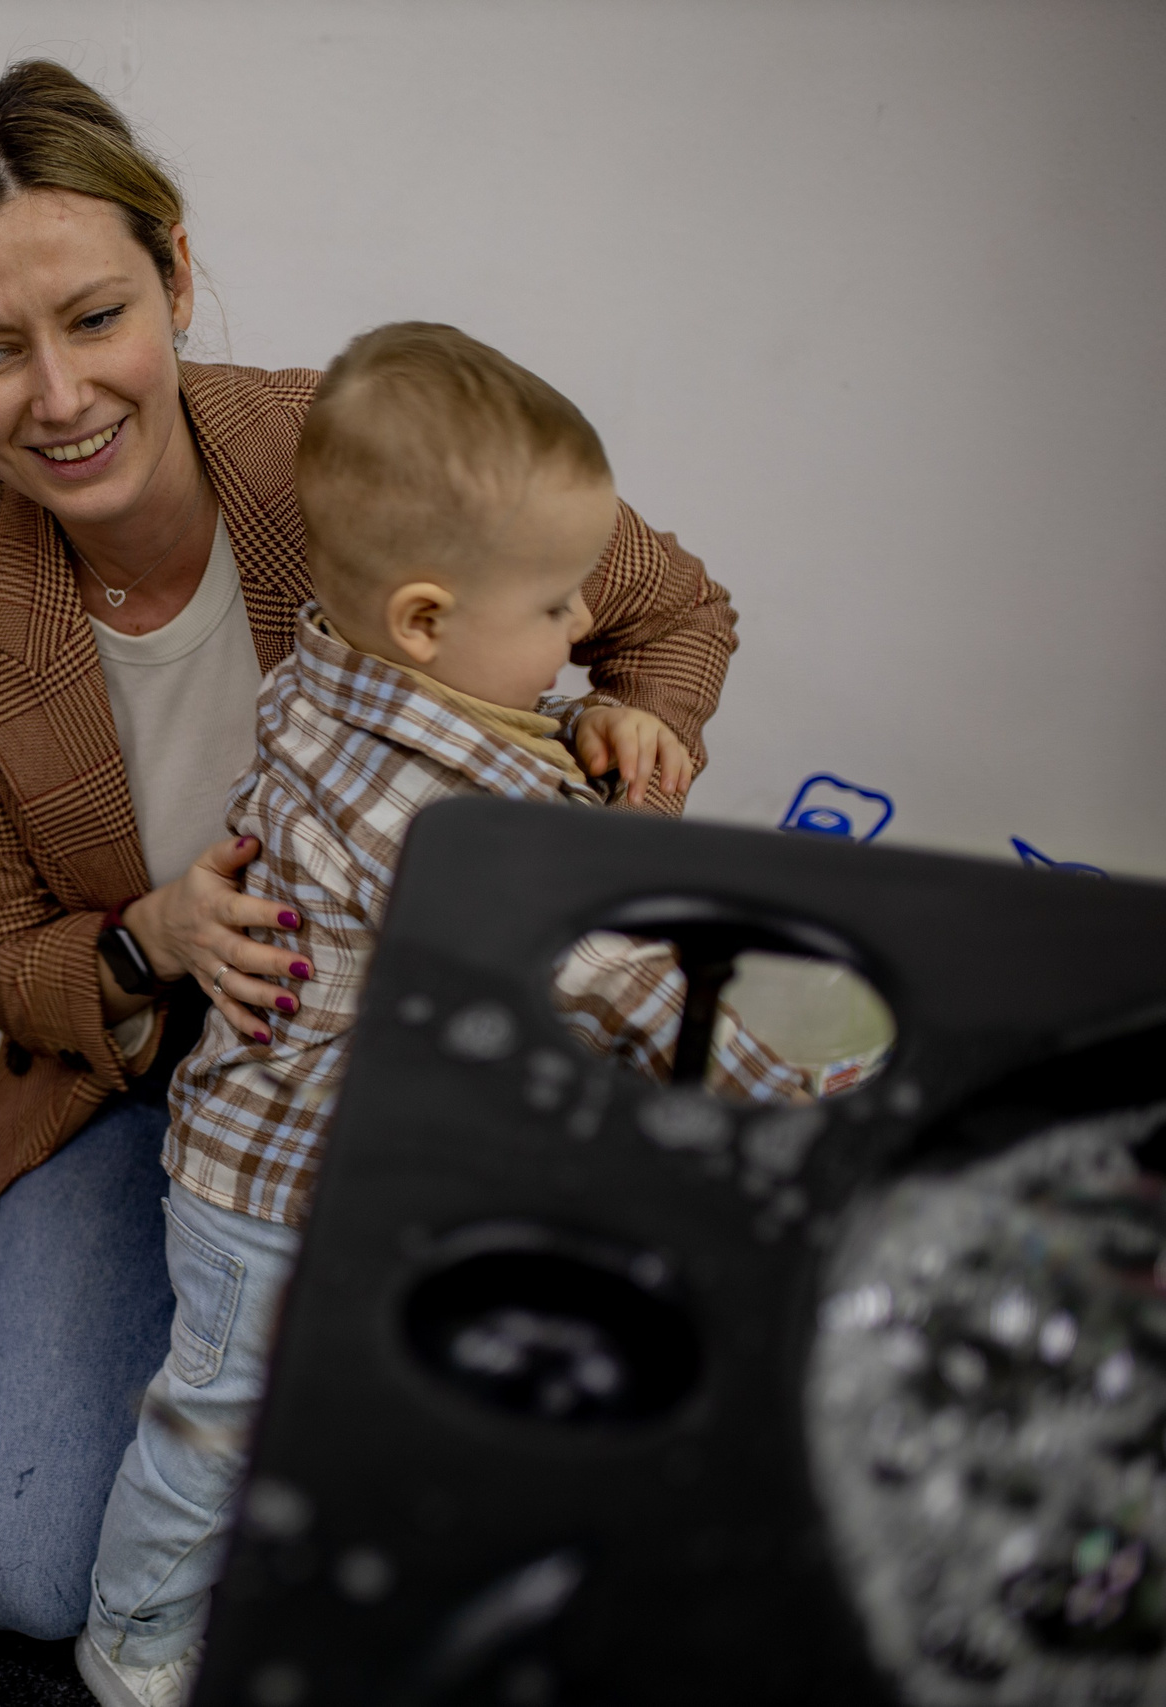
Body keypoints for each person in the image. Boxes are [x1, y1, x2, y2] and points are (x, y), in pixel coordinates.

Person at [0, 61, 745, 1643]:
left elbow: (669, 611)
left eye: (96, 317)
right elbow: (4, 954)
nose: (58, 397)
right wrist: (148, 934)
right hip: (162, 1109)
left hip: (432, 1072)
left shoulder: (355, 449)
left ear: (178, 273)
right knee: (15, 1568)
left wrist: (628, 743)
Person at [73, 323, 805, 1705]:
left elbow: (502, 720)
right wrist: (804, 1103)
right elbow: (636, 980)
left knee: (348, 1395)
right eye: (551, 610)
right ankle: (132, 1630)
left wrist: (590, 717)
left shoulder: (329, 669)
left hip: (338, 1159)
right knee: (211, 1423)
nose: (583, 626)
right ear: (423, 618)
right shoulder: (441, 816)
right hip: (264, 1195)